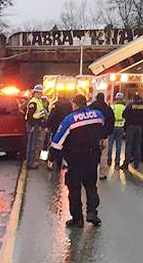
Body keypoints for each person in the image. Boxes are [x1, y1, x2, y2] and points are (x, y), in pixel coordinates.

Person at [50, 94, 104, 227]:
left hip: (75, 159)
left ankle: (77, 219)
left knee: (74, 189)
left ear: (74, 104)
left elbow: (57, 143)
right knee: (91, 186)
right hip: (92, 157)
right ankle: (92, 212)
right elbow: (103, 127)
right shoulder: (97, 115)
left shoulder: (69, 120)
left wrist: (51, 158)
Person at [88, 93, 115, 179]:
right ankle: (102, 174)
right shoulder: (108, 109)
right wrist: (107, 133)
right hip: (103, 136)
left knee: (91, 154)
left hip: (91, 136)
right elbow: (111, 122)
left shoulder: (90, 108)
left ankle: (90, 173)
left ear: (96, 98)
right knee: (104, 155)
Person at [46, 93, 73, 178]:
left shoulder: (56, 104)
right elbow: (71, 115)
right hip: (66, 128)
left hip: (56, 127)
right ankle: (61, 162)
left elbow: (52, 115)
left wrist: (47, 125)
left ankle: (51, 162)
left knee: (55, 145)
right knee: (65, 145)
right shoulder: (69, 104)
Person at [25, 85, 48, 169]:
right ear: (36, 93)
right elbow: (30, 116)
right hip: (33, 125)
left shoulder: (38, 101)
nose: (40, 94)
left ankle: (31, 162)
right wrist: (32, 126)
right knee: (32, 145)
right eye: (39, 93)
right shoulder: (33, 102)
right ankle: (30, 163)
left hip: (36, 124)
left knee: (33, 144)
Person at [107, 93, 126, 167]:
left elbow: (109, 117)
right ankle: (117, 160)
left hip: (112, 127)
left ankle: (109, 159)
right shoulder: (124, 107)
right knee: (119, 145)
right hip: (121, 127)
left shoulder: (112, 107)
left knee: (110, 144)